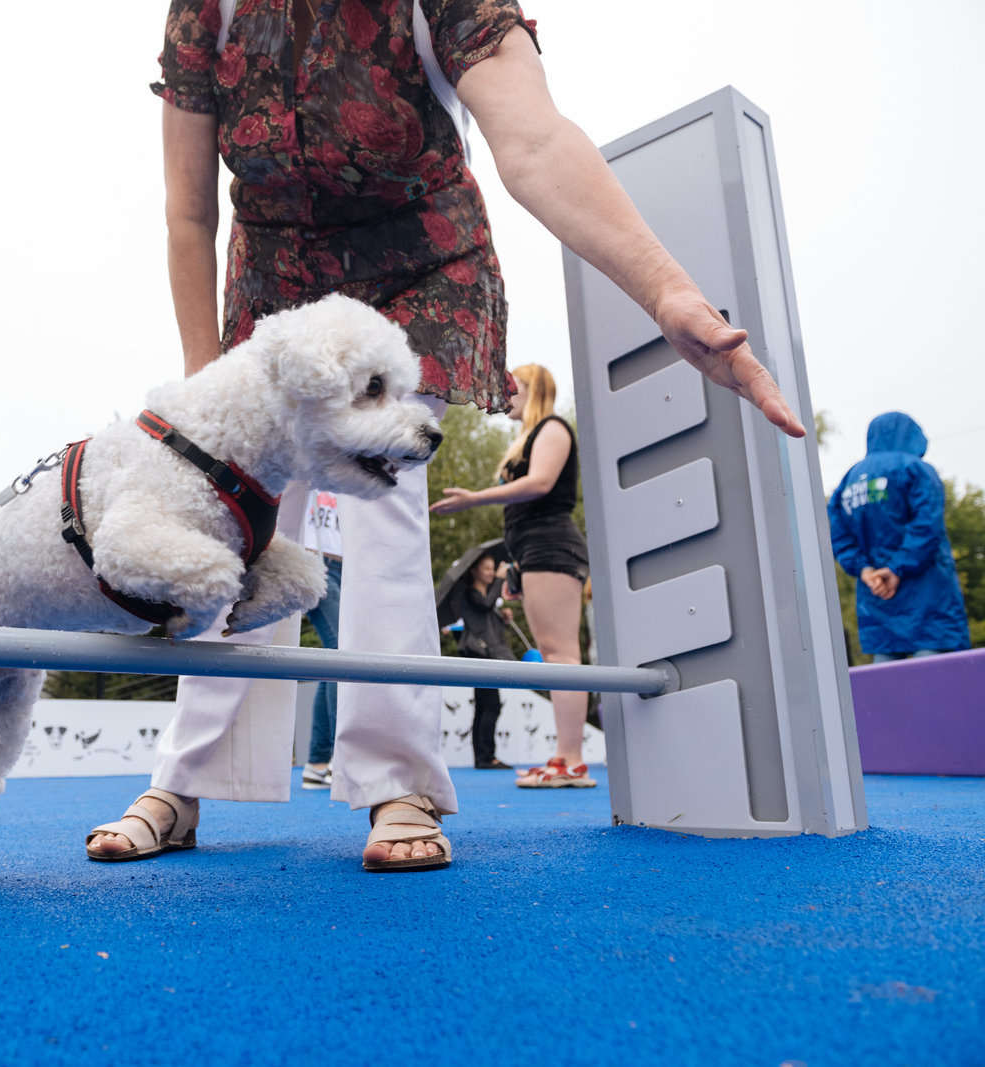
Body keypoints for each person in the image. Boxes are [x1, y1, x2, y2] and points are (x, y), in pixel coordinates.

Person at [86, 0, 804, 873]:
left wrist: (664, 293)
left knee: (382, 502)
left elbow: (534, 143)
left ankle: (398, 777)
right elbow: (190, 213)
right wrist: (206, 401)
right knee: (239, 507)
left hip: (416, 261)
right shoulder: (209, 9)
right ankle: (184, 777)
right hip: (275, 272)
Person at [432, 363, 594, 787]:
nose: (504, 394)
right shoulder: (533, 435)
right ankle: (566, 758)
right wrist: (518, 569)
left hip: (551, 548)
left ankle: (570, 760)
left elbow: (540, 485)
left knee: (561, 657)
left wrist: (474, 500)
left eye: (512, 387)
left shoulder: (553, 428)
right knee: (556, 655)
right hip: (535, 552)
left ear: (533, 389)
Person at [827, 412, 969, 662]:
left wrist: (865, 571)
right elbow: (927, 526)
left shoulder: (850, 479)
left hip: (877, 599)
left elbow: (837, 532)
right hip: (927, 600)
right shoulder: (916, 469)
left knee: (887, 687)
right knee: (938, 685)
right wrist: (895, 569)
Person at [454, 551, 515, 770]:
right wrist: (500, 579)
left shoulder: (483, 597)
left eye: (492, 569)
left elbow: (487, 616)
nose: (491, 572)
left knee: (484, 705)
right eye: (487, 568)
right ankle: (486, 755)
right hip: (479, 654)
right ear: (474, 571)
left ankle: (483, 755)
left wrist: (503, 618)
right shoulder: (472, 594)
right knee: (491, 705)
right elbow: (486, 605)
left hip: (484, 654)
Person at [300, 489, 343, 789]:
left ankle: (318, 762)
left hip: (348, 565)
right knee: (343, 650)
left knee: (334, 658)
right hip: (314, 560)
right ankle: (344, 756)